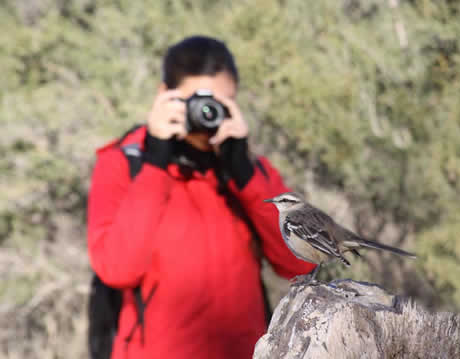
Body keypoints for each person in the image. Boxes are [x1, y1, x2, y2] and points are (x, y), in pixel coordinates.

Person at [87, 35, 315, 359]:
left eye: (220, 104)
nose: (207, 113)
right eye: (196, 101)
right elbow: (116, 268)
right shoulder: (124, 165)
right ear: (163, 95)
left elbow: (301, 262)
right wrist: (155, 163)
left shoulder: (250, 173)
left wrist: (245, 175)